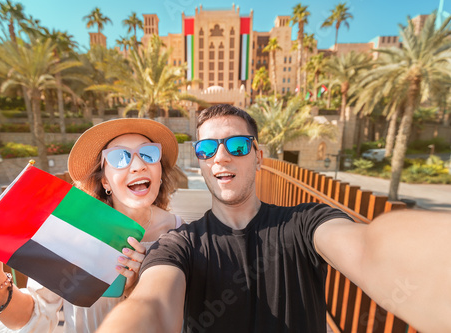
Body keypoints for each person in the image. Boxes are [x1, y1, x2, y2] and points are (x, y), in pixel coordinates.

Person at [97, 104, 451, 333]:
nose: (220, 157)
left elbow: (369, 249)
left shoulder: (306, 222)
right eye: (206, 149)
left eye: (237, 146)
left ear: (259, 157)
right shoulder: (180, 244)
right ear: (201, 164)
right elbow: (153, 305)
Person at [0, 118, 184, 332]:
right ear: (105, 181)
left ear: (160, 171)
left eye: (149, 154)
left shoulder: (183, 234)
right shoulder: (73, 230)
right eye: (119, 157)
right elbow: (36, 316)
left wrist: (136, 290)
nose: (138, 165)